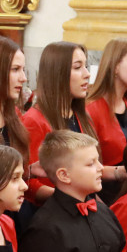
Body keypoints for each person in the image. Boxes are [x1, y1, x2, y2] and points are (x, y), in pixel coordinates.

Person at [19, 130, 127, 252]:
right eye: (90, 163)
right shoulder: (45, 228)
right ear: (64, 175)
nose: (100, 168)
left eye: (98, 160)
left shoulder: (103, 211)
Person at [21, 41, 97, 215]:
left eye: (86, 66)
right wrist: (70, 198)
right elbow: (28, 183)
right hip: (52, 214)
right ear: (58, 74)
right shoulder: (34, 121)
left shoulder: (81, 115)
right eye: (78, 68)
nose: (86, 74)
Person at [87, 38, 127, 203]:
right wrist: (119, 172)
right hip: (103, 195)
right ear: (115, 66)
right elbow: (84, 166)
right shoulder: (91, 109)